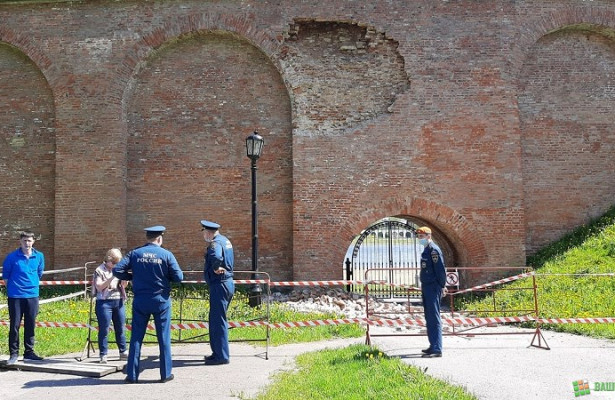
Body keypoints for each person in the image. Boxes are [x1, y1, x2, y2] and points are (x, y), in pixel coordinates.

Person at [113, 226, 184, 383]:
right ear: (159, 239)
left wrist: (132, 277)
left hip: (141, 300)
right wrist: (166, 278)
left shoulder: (135, 253)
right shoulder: (166, 254)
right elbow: (179, 276)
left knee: (136, 338)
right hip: (161, 300)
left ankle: (132, 375)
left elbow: (117, 270)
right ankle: (165, 375)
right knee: (163, 338)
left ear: (147, 238)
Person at [2, 231, 45, 364]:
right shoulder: (12, 257)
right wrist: (15, 289)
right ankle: (14, 354)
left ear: (33, 242)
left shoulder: (39, 256)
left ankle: (29, 352)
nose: (27, 243)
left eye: (29, 241)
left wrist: (30, 286)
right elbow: (6, 277)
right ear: (20, 242)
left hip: (32, 295)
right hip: (15, 296)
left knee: (30, 324)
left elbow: (39, 273)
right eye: (25, 241)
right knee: (14, 325)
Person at [201, 219, 234, 365]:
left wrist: (215, 267)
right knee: (216, 320)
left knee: (218, 321)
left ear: (208, 232)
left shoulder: (215, 243)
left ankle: (221, 356)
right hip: (226, 283)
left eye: (203, 232)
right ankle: (217, 353)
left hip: (219, 284)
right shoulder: (225, 240)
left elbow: (216, 256)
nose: (203, 235)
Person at [93, 248, 128, 364]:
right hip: (104, 302)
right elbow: (99, 286)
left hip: (118, 300)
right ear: (107, 260)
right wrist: (112, 276)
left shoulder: (119, 269)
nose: (114, 265)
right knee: (104, 329)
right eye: (113, 263)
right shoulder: (99, 270)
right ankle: (103, 354)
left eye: (117, 263)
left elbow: (123, 285)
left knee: (121, 327)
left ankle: (123, 351)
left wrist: (124, 281)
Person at [417, 226, 447, 358]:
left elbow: (440, 270)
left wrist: (442, 285)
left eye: (422, 237)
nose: (420, 239)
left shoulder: (434, 250)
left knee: (434, 317)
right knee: (429, 316)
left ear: (428, 236)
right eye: (419, 237)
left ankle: (437, 348)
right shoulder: (427, 250)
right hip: (427, 286)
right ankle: (432, 345)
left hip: (433, 287)